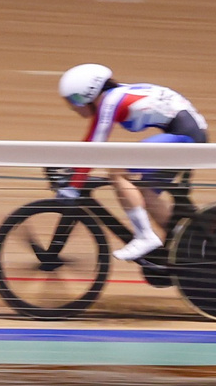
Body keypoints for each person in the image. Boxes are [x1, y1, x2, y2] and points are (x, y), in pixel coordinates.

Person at [55, 63, 208, 263]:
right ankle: (184, 242)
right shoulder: (112, 97)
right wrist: (71, 168)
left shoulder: (110, 101)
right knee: (146, 192)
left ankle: (145, 236)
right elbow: (89, 141)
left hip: (186, 135)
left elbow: (95, 146)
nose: (73, 107)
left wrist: (75, 184)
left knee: (117, 171)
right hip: (187, 133)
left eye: (73, 100)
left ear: (87, 94)